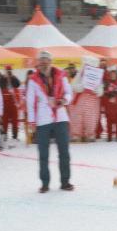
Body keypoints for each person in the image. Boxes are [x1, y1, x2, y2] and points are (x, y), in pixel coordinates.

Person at [26, 50, 73, 193]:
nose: (44, 63)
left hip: (60, 117)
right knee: (43, 154)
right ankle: (44, 183)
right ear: (38, 63)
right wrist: (32, 122)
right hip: (43, 120)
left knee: (64, 152)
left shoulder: (60, 75)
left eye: (46, 60)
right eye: (41, 61)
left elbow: (69, 92)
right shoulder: (33, 79)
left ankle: (65, 182)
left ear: (50, 62)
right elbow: (30, 101)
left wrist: (64, 100)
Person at [0, 66, 21, 141]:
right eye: (7, 70)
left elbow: (18, 84)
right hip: (5, 102)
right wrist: (4, 77)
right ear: (5, 71)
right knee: (5, 120)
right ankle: (4, 135)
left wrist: (12, 76)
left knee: (15, 120)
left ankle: (15, 136)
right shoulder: (1, 79)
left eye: (9, 70)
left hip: (13, 102)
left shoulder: (14, 78)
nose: (8, 72)